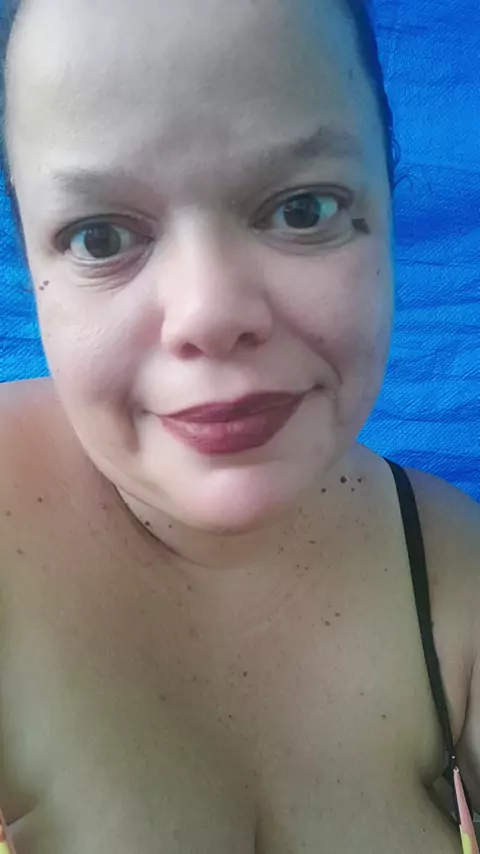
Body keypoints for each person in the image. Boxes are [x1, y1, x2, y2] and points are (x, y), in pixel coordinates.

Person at [0, 0, 479, 851]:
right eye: (100, 236)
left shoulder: (458, 581)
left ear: (389, 205)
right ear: (30, 259)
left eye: (303, 209)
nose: (210, 313)